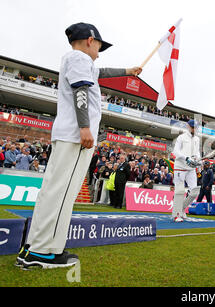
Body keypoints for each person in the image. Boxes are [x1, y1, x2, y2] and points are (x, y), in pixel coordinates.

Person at [17, 22, 142, 269]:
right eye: (99, 46)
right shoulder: (81, 59)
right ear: (89, 40)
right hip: (76, 134)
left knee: (53, 191)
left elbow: (101, 72)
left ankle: (33, 247)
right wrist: (84, 127)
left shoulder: (76, 59)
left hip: (66, 134)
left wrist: (128, 70)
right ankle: (43, 252)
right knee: (62, 193)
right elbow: (81, 91)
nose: (99, 51)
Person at [171, 119, 202, 222]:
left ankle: (182, 208)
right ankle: (176, 214)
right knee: (179, 191)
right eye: (193, 127)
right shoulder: (181, 137)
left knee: (194, 191)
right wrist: (186, 158)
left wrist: (197, 159)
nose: (194, 129)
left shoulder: (197, 139)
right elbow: (175, 151)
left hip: (191, 168)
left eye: (195, 127)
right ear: (188, 126)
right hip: (180, 167)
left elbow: (197, 152)